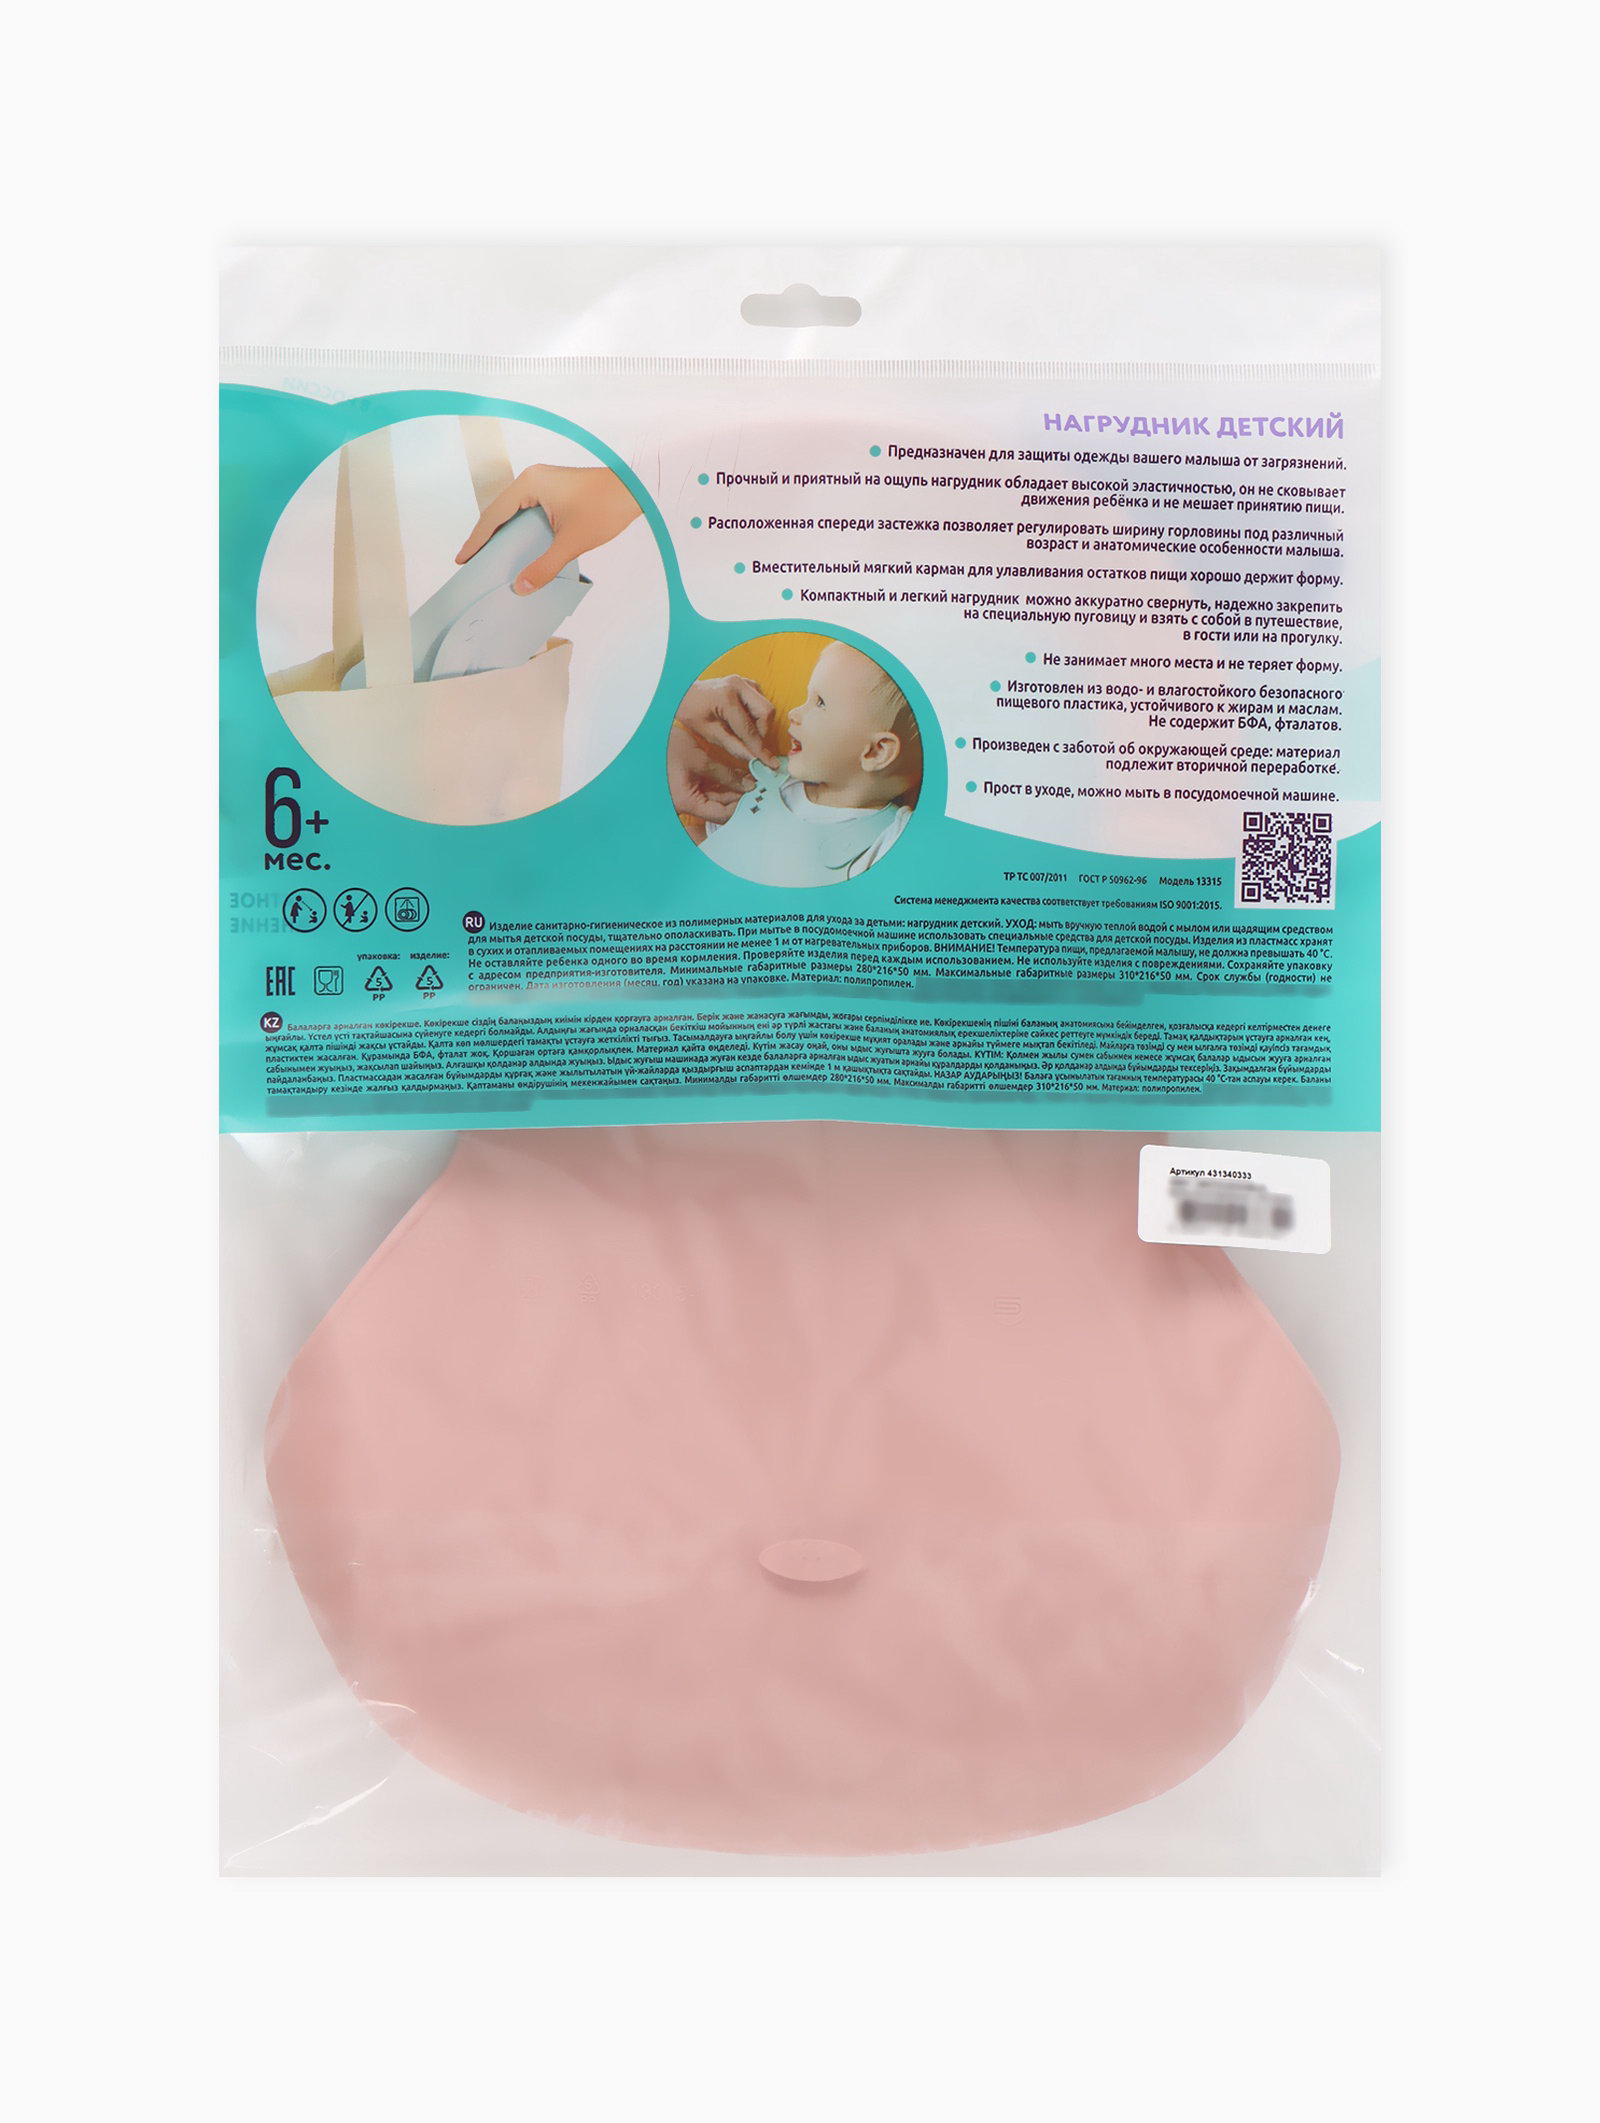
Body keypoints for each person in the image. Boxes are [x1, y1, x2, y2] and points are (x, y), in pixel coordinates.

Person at [684, 641, 920, 886]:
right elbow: (710, 842)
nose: (793, 713)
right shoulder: (766, 782)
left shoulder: (891, 838)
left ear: (876, 751)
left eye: (820, 702)